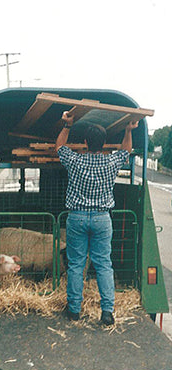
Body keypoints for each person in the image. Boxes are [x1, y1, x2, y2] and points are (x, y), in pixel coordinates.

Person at [52, 111, 137, 326]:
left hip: (77, 217)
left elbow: (59, 147)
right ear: (105, 143)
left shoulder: (75, 161)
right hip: (102, 218)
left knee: (76, 266)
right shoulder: (112, 162)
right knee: (103, 265)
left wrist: (67, 125)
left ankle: (74, 310)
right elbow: (127, 149)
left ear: (85, 142)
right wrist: (128, 130)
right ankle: (107, 312)